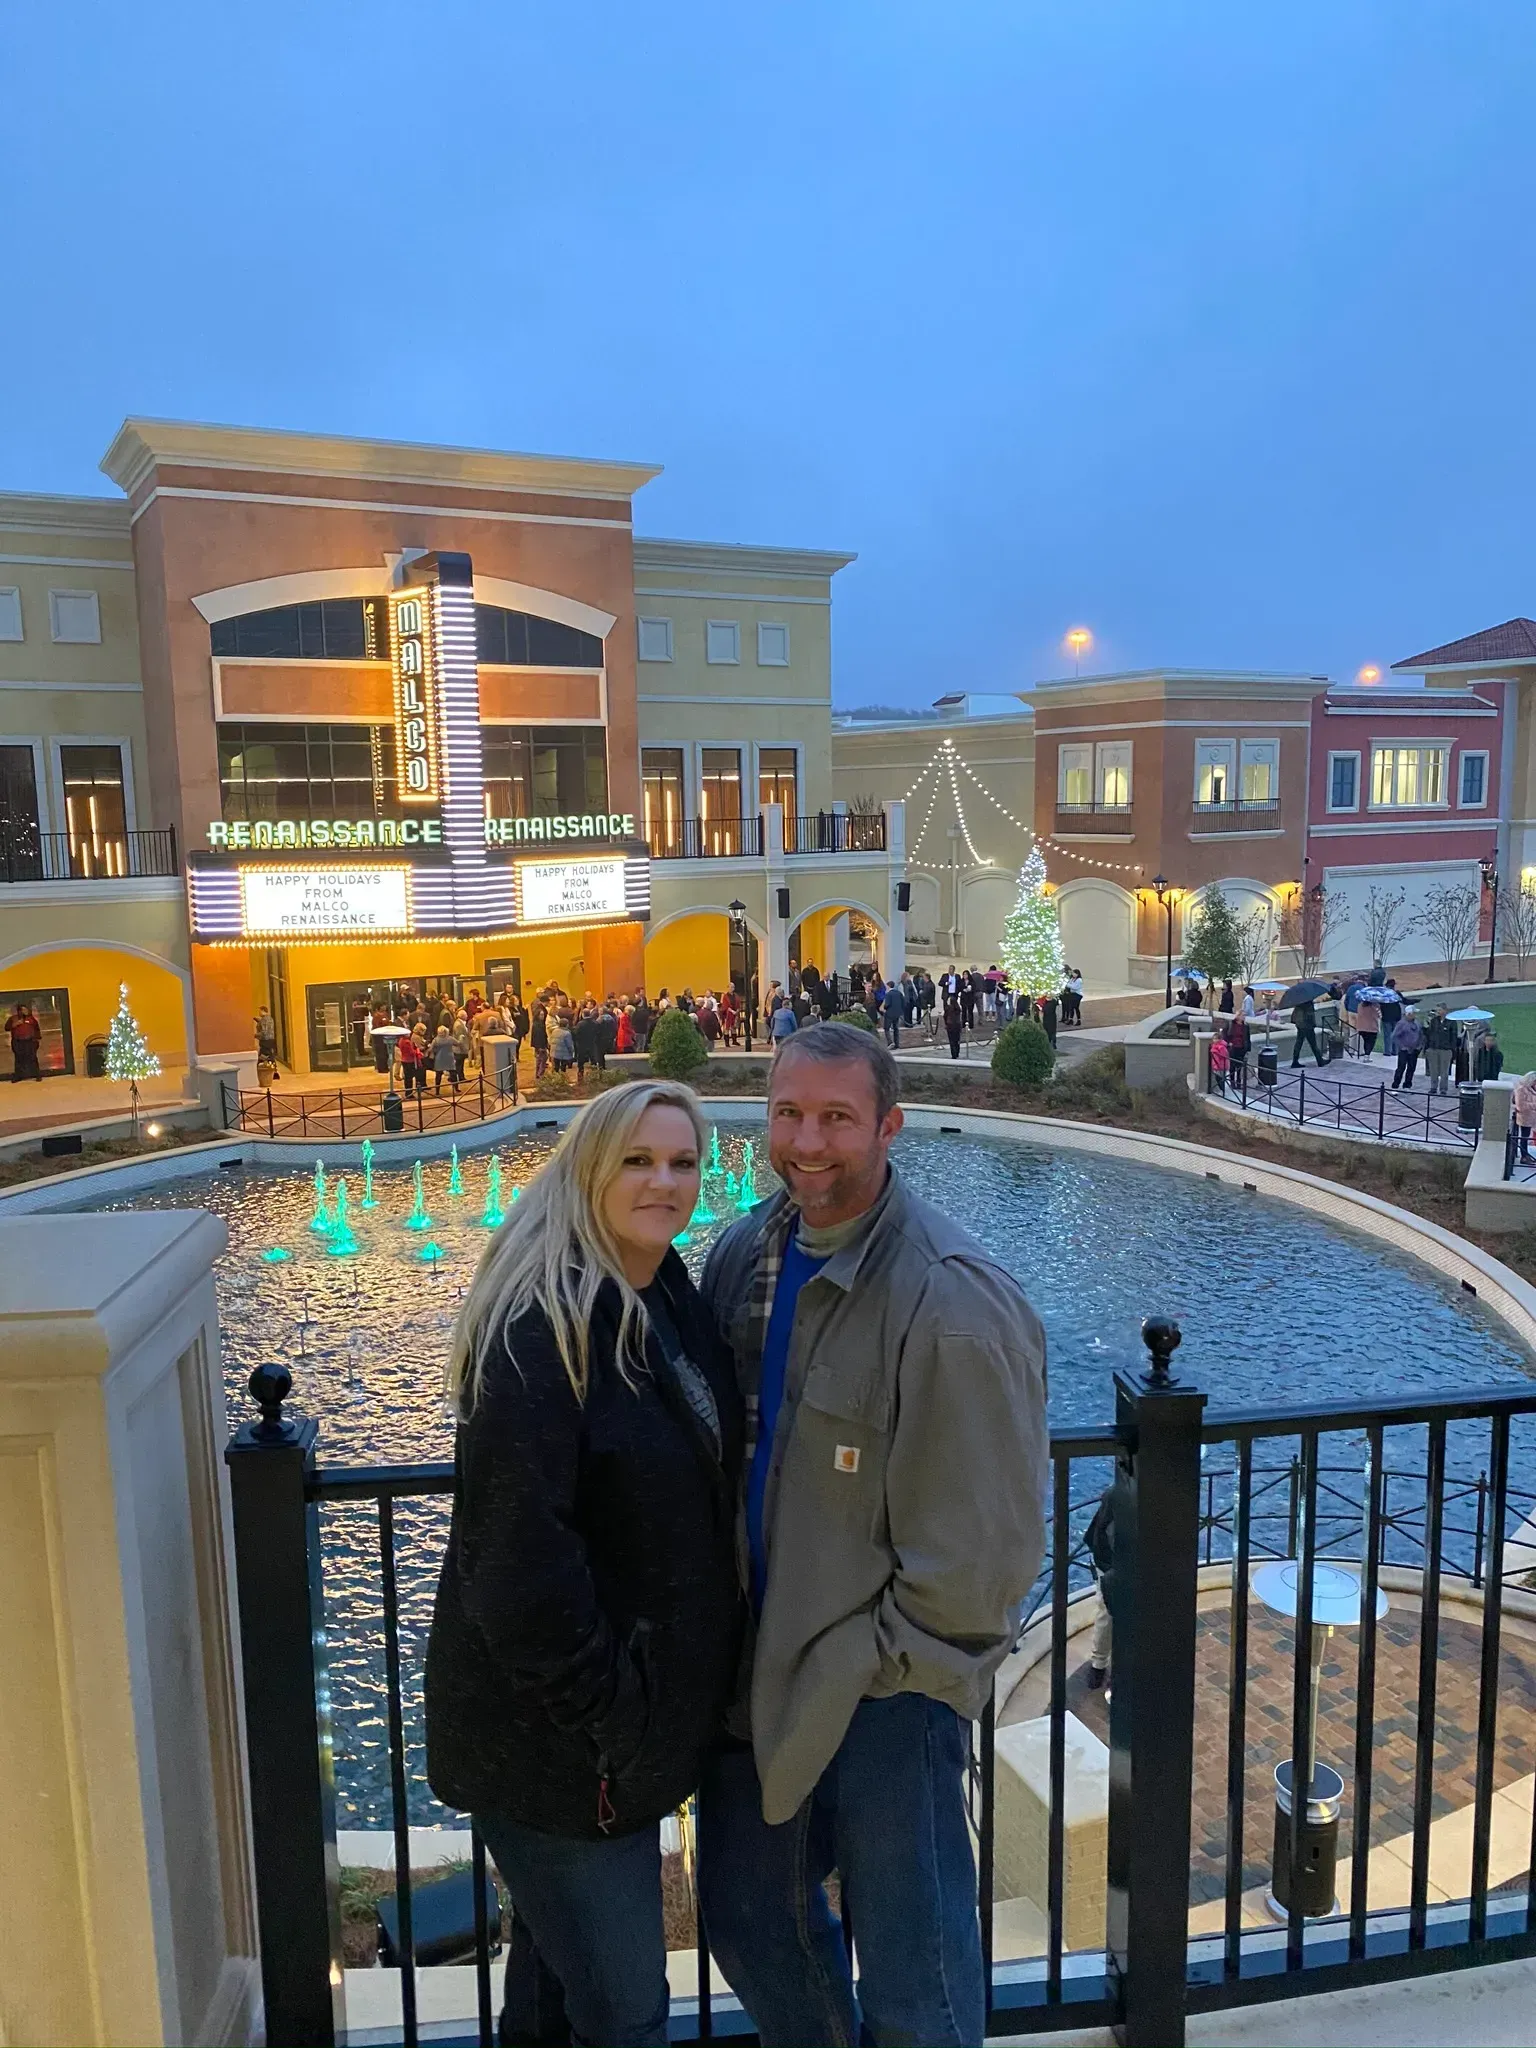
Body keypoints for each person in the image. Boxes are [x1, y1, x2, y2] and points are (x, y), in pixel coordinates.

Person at [695, 1024, 1048, 2048]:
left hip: (884, 1691)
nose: (808, 1141)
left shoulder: (950, 1302)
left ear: (889, 1125)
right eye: (789, 1112)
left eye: (838, 1118)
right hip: (757, 1667)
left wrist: (870, 1663)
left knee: (915, 1979)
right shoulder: (745, 1251)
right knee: (751, 1920)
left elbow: (984, 1555)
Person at [424, 1082, 743, 2048]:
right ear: (590, 1169)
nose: (665, 1181)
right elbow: (517, 1576)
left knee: (559, 1992)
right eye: (639, 1161)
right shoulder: (540, 1332)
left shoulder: (658, 1287)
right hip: (562, 1761)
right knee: (626, 2012)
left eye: (683, 1162)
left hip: (609, 1749)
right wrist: (619, 1721)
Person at [6, 1000, 43, 1082]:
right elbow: (6, 1028)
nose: (25, 1011)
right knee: (19, 1059)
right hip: (18, 1042)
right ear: (19, 1011)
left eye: (26, 1010)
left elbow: (37, 1029)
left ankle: (37, 1075)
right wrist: (15, 1024)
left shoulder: (31, 1019)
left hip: (30, 1041)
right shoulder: (13, 1019)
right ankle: (18, 1076)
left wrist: (37, 1040)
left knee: (33, 1058)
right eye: (23, 1010)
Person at [1422, 1006, 1456, 1096]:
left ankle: (1443, 1089)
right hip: (1433, 1049)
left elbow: (1453, 1037)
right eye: (1437, 1010)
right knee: (1434, 1070)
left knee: (1444, 1071)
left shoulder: (1451, 1022)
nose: (1438, 1012)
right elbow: (1428, 1035)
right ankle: (1433, 1087)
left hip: (1445, 1050)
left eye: (1440, 1010)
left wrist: (1452, 1049)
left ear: (1445, 1010)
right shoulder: (1434, 1021)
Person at [1390, 1007, 1423, 1091]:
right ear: (1408, 1014)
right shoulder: (1401, 1024)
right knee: (1401, 1068)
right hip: (1404, 1051)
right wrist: (1402, 1046)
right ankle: (1395, 1086)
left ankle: (1407, 1085)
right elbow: (1394, 1036)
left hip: (1414, 1050)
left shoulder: (1417, 1023)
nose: (1415, 1015)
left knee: (1411, 1068)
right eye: (1413, 1013)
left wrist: (1419, 1046)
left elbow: (1421, 1035)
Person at [1290, 996, 1324, 1067]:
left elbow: (1295, 1013)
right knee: (1313, 1044)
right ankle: (1320, 1061)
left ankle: (1295, 1061)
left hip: (1300, 1024)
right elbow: (1309, 1015)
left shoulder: (1299, 1001)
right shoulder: (1307, 1002)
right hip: (1307, 1025)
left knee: (1299, 1043)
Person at [1514, 1071, 1536, 1166]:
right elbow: (1520, 1106)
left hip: (1531, 1117)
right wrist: (1534, 1105)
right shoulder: (1521, 1089)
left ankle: (1526, 1155)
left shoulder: (1530, 1088)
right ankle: (1524, 1156)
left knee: (1525, 1137)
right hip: (1524, 1118)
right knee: (1524, 1137)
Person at [1227, 1009, 1251, 1090]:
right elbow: (1226, 1035)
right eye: (1243, 1015)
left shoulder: (1246, 1026)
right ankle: (1232, 1082)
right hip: (1233, 1047)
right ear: (1238, 1016)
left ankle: (1239, 1082)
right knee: (1232, 1066)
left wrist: (1248, 1049)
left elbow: (1248, 1037)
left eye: (1244, 1015)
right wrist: (1229, 1042)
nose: (1244, 1017)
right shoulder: (1231, 1024)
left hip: (1242, 1047)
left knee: (1240, 1067)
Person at [1355, 990, 1382, 1060]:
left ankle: (1366, 1055)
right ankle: (1367, 1055)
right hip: (1372, 1027)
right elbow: (1379, 1015)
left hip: (1361, 1027)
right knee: (1371, 1042)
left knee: (1366, 1041)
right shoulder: (1375, 1006)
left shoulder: (1360, 1005)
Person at [880, 976, 905, 1050]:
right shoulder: (898, 993)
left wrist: (884, 1008)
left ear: (888, 986)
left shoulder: (888, 994)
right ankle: (897, 1044)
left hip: (889, 1014)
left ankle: (890, 1042)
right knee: (896, 1028)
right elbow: (903, 1002)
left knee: (886, 1028)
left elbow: (887, 1004)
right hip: (897, 1013)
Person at [253, 1005, 279, 1076]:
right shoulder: (270, 1018)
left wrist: (255, 1035)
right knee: (271, 1056)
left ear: (263, 1011)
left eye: (260, 1011)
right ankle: (274, 1073)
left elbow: (264, 1031)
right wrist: (257, 1019)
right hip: (271, 1040)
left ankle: (263, 1074)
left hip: (265, 1041)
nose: (259, 1013)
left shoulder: (264, 1020)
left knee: (263, 1057)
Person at [1208, 1024, 1231, 1095]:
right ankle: (1222, 1090)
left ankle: (1223, 1091)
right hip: (1217, 1065)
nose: (1215, 1040)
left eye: (1216, 1039)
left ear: (1220, 1039)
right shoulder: (1215, 1046)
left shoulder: (1221, 1047)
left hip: (1221, 1066)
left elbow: (1224, 1055)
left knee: (1220, 1079)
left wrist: (1216, 1051)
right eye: (1214, 1039)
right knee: (1218, 1078)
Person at [943, 990, 963, 1060]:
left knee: (951, 1041)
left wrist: (946, 1023)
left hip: (950, 1026)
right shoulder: (958, 1009)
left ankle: (953, 1054)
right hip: (957, 1025)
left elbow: (945, 1016)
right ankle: (957, 1052)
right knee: (957, 1040)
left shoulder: (948, 1009)